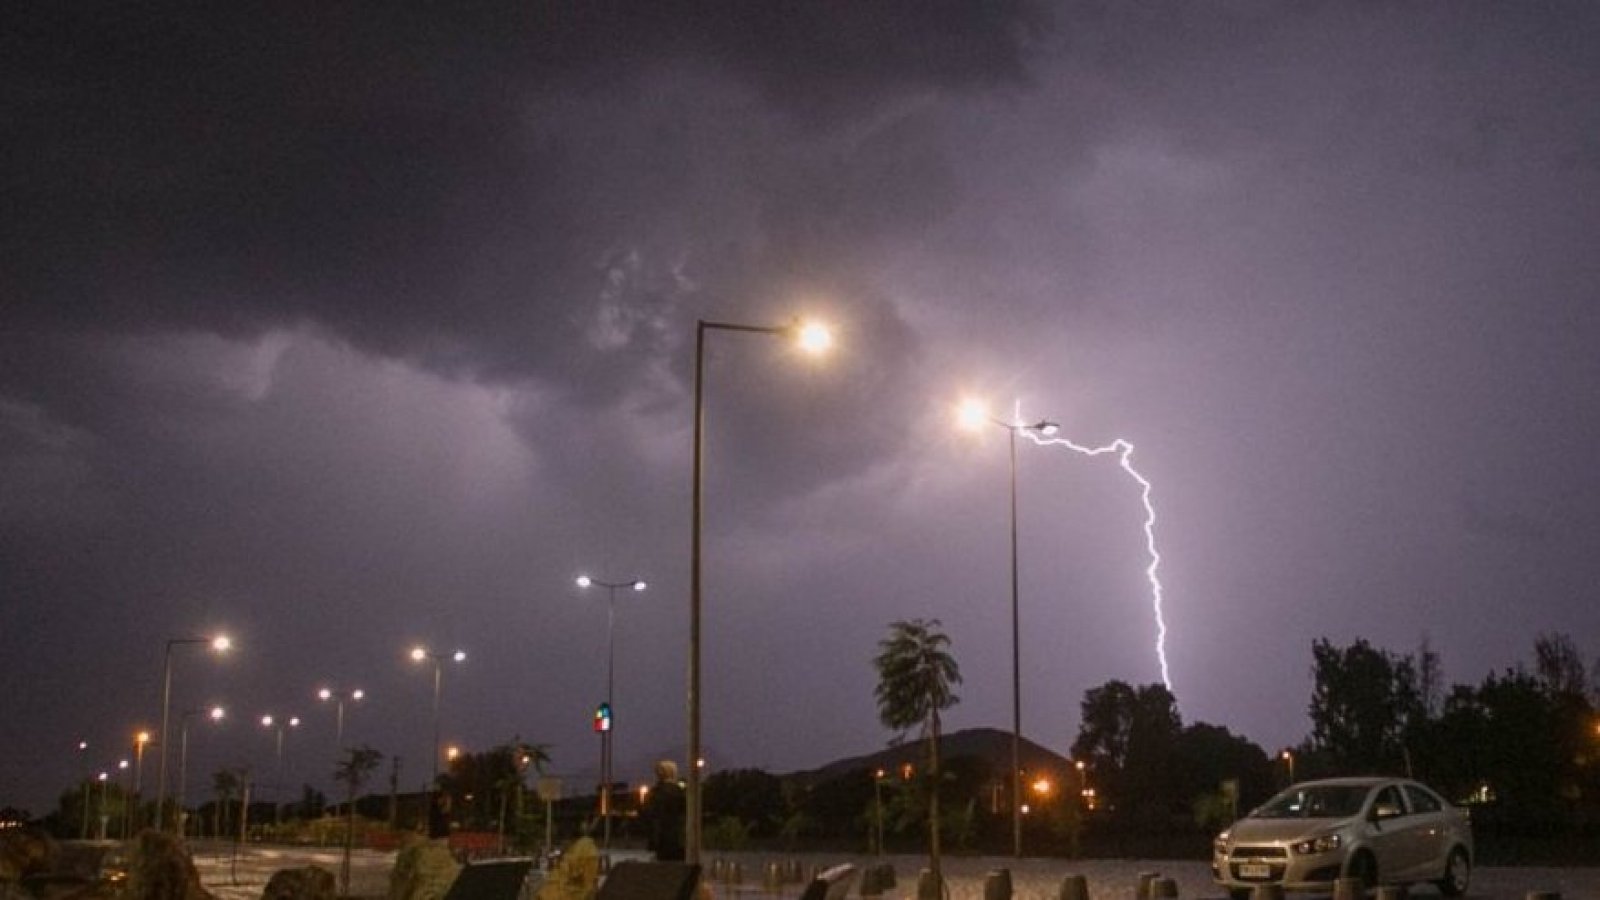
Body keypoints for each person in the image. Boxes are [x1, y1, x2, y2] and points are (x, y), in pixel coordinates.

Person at [641, 759, 686, 861]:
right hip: (678, 836)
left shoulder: (656, 792)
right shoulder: (679, 792)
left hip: (661, 836)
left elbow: (648, 813)